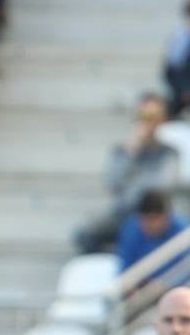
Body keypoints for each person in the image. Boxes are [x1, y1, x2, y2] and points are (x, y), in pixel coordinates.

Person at [76, 92, 181, 255]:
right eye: (144, 116)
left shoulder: (169, 153)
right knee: (86, 234)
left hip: (152, 214)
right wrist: (131, 153)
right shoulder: (122, 151)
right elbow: (113, 183)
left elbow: (161, 187)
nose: (149, 122)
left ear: (163, 120)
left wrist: (132, 187)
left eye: (154, 116)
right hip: (122, 215)